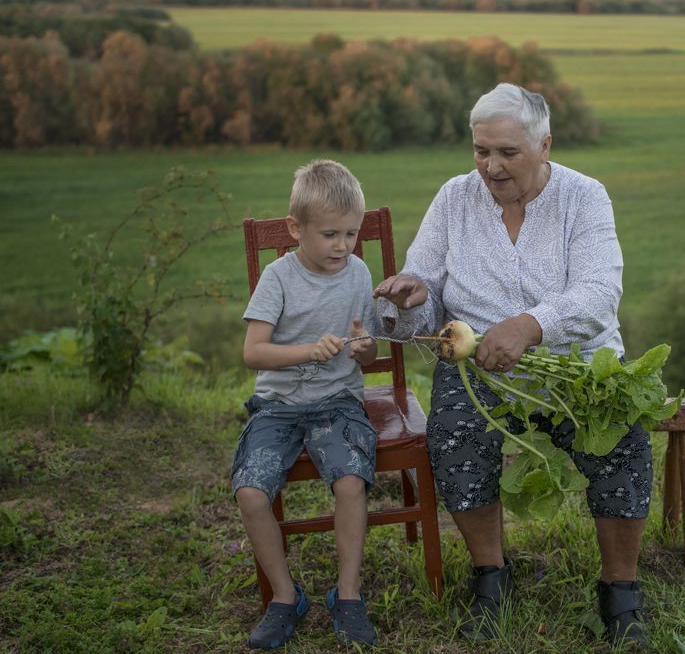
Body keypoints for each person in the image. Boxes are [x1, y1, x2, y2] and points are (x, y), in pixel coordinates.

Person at [374, 84, 651, 646]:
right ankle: (491, 578)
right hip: (478, 371)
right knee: (454, 437)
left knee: (622, 441)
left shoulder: (584, 197)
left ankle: (620, 591)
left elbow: (601, 290)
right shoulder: (454, 199)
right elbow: (425, 291)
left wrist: (528, 326)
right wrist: (410, 298)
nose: (491, 167)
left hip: (574, 365)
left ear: (544, 145)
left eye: (507, 152)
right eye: (481, 152)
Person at [233, 160, 379, 649]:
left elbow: (371, 344)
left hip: (337, 401)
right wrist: (306, 351)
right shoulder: (277, 277)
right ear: (296, 229)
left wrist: (364, 347)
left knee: (351, 480)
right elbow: (254, 351)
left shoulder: (358, 272)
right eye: (330, 234)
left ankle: (348, 595)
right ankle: (284, 597)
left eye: (352, 233)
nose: (343, 246)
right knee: (252, 492)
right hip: (277, 405)